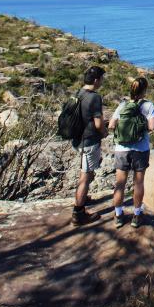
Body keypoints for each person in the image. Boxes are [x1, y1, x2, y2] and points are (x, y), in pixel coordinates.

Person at [107, 76, 154, 229]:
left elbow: (111, 125)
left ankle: (118, 216)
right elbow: (151, 127)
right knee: (139, 183)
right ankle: (136, 215)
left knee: (120, 183)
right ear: (144, 90)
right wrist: (139, 131)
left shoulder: (122, 105)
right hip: (140, 149)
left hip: (122, 149)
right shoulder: (148, 105)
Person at [71, 65, 106, 226]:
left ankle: (82, 197)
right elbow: (98, 124)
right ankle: (79, 213)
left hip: (78, 139)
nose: (102, 82)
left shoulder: (78, 93)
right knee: (86, 175)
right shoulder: (94, 97)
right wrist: (104, 133)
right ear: (96, 80)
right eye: (102, 79)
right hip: (89, 141)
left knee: (86, 172)